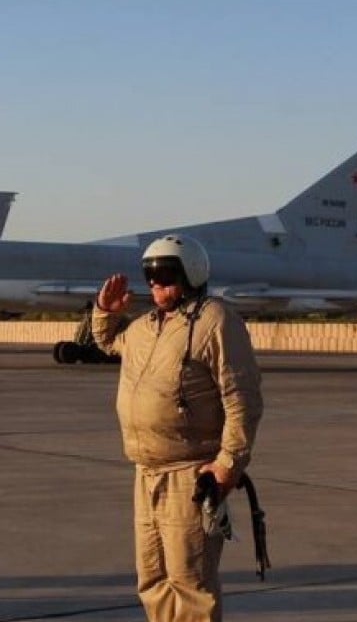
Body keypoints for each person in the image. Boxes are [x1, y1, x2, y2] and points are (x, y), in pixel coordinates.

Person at [92, 233, 263, 622]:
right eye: (151, 278)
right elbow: (106, 342)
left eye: (167, 276)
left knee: (190, 582)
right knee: (152, 579)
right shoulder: (144, 327)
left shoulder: (215, 320)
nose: (157, 286)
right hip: (146, 471)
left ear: (191, 274)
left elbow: (243, 398)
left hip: (190, 473)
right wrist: (105, 309)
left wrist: (228, 464)